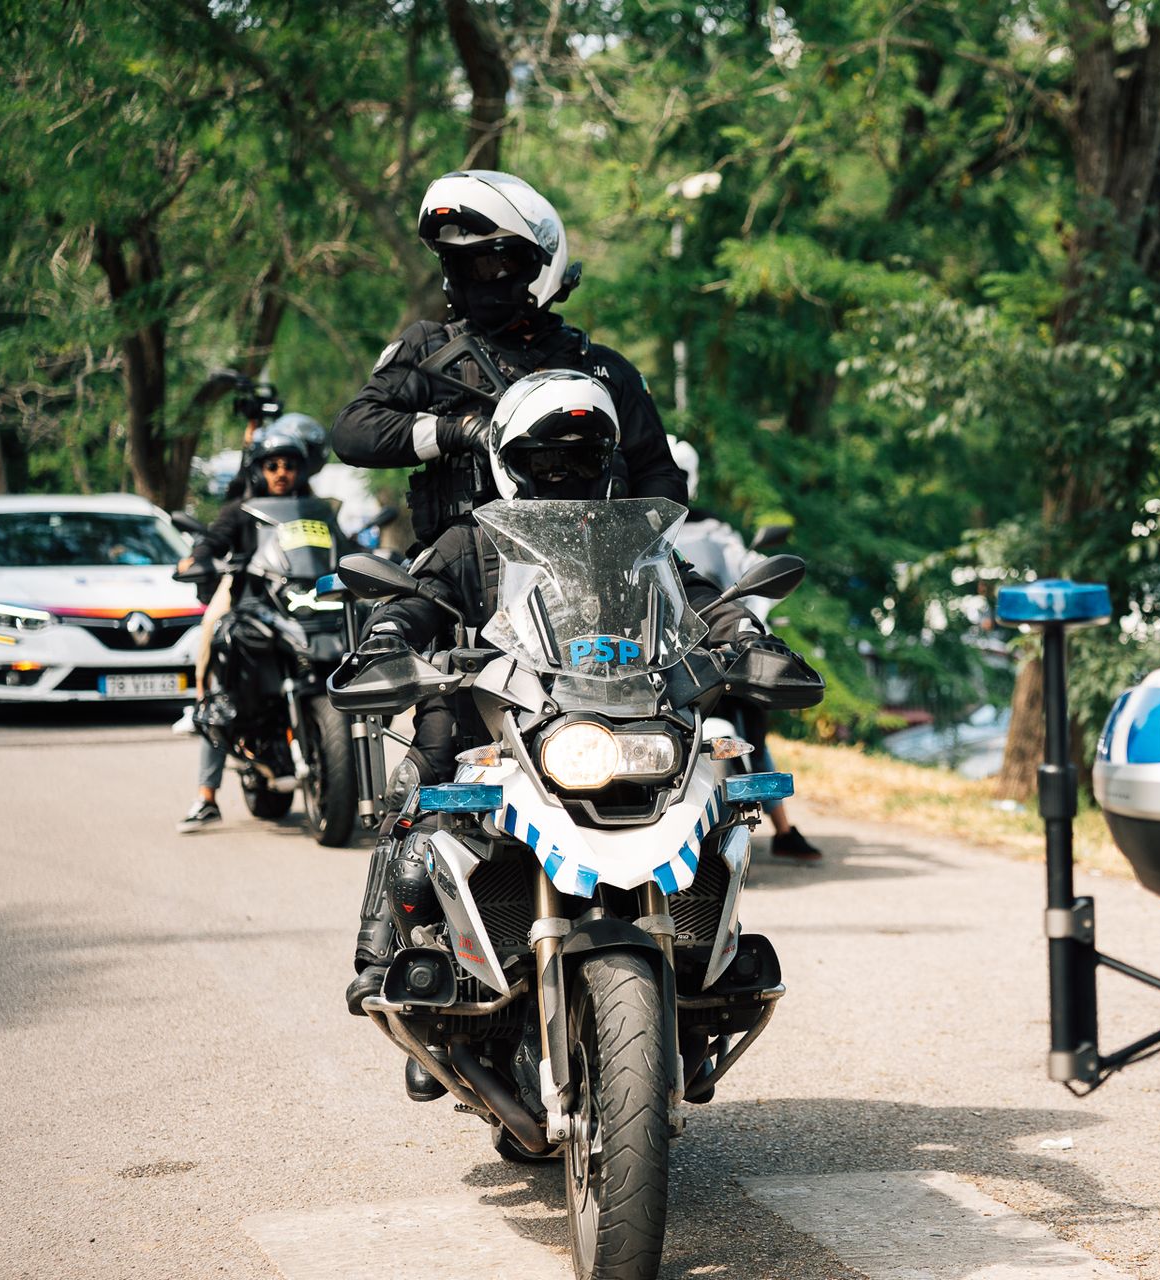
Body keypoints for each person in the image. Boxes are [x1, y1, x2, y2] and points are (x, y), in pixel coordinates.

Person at [345, 373, 768, 1015]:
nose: (564, 472)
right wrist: (386, 635)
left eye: (581, 457)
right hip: (496, 721)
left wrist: (745, 631)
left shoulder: (634, 546)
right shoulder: (470, 541)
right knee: (426, 777)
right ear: (510, 463)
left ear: (607, 463)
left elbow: (697, 598)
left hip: (615, 721)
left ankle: (708, 949)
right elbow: (414, 598)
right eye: (545, 459)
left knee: (715, 790)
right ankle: (383, 953)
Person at [331, 169, 685, 547]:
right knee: (393, 608)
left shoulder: (603, 370)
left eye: (491, 264)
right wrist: (458, 431)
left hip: (586, 578)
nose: (478, 279)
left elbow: (659, 476)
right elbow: (353, 432)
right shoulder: (430, 348)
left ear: (538, 259)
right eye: (461, 265)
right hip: (460, 579)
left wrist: (631, 545)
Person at [668, 435, 822, 861]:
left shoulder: (714, 530)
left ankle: (783, 828)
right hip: (659, 656)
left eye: (674, 474)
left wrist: (752, 630)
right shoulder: (630, 534)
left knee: (755, 721)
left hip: (713, 647)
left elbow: (746, 576)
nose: (668, 482)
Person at [174, 424, 315, 831]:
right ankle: (206, 795)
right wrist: (197, 557)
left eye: (290, 465)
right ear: (259, 469)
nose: (282, 472)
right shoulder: (241, 510)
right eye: (273, 465)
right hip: (249, 601)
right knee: (217, 648)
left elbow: (339, 544)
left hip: (302, 605)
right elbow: (213, 541)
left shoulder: (312, 510)